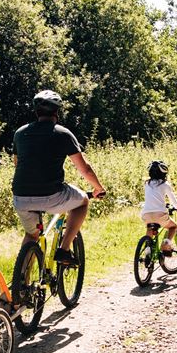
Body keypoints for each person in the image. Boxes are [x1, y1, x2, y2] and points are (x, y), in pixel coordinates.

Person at [12, 90, 106, 265]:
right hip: (52, 195)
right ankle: (64, 249)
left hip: (21, 197)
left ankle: (22, 285)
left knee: (32, 235)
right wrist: (98, 188)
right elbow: (84, 169)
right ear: (57, 112)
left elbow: (17, 164)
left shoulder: (20, 133)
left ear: (36, 112)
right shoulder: (62, 133)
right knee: (83, 201)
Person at [140, 161, 177, 253]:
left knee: (150, 228)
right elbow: (174, 203)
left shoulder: (147, 184)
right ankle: (166, 244)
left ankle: (147, 250)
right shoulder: (165, 185)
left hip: (145, 214)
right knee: (173, 227)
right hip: (159, 215)